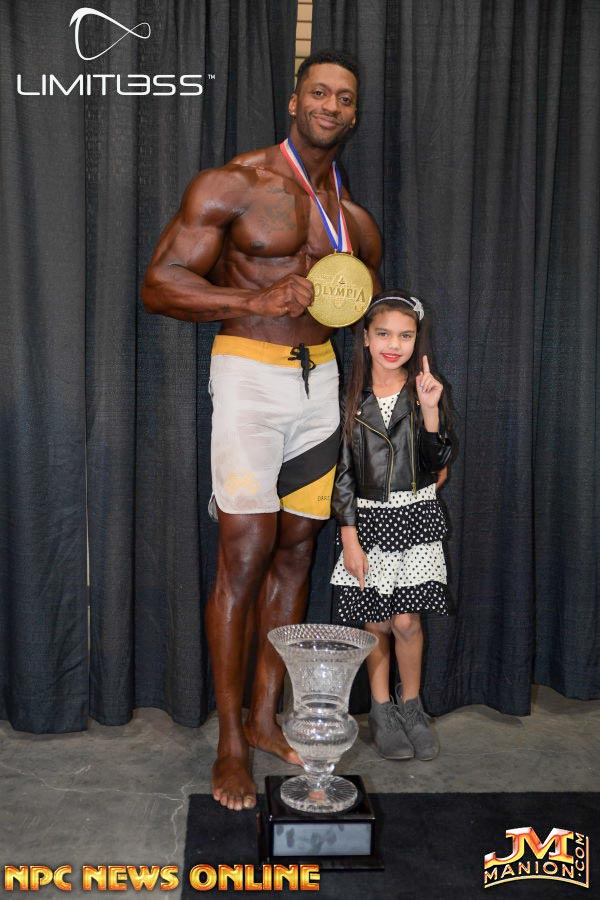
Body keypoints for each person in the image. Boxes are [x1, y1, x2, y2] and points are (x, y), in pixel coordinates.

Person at [142, 49, 382, 810]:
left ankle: (263, 717)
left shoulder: (354, 220)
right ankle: (228, 744)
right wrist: (252, 301)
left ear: (354, 114)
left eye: (344, 98)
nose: (331, 106)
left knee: (296, 552)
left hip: (322, 386)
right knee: (244, 556)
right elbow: (159, 285)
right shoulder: (234, 184)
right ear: (293, 101)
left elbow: (363, 313)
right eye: (320, 93)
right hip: (249, 375)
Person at [330, 290, 452, 761]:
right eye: (383, 334)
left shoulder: (424, 391)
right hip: (369, 520)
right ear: (365, 337)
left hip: (415, 516)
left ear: (416, 340)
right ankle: (381, 711)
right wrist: (350, 538)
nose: (393, 345)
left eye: (405, 335)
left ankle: (412, 707)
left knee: (406, 620)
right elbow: (342, 475)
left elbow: (438, 464)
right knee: (377, 620)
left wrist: (430, 411)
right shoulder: (349, 400)